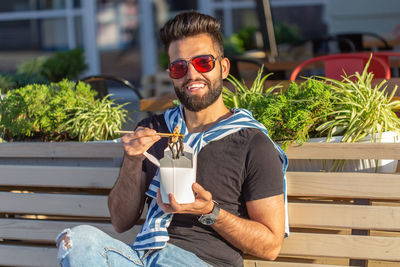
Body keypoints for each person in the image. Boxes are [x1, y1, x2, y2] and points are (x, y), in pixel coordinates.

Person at [56, 11, 288, 267]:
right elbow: (121, 222)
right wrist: (132, 161)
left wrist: (211, 213)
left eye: (203, 63)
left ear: (223, 68)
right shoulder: (154, 130)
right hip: (143, 258)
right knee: (77, 240)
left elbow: (270, 246)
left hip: (202, 262)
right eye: (179, 67)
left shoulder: (251, 142)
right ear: (171, 74)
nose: (191, 75)